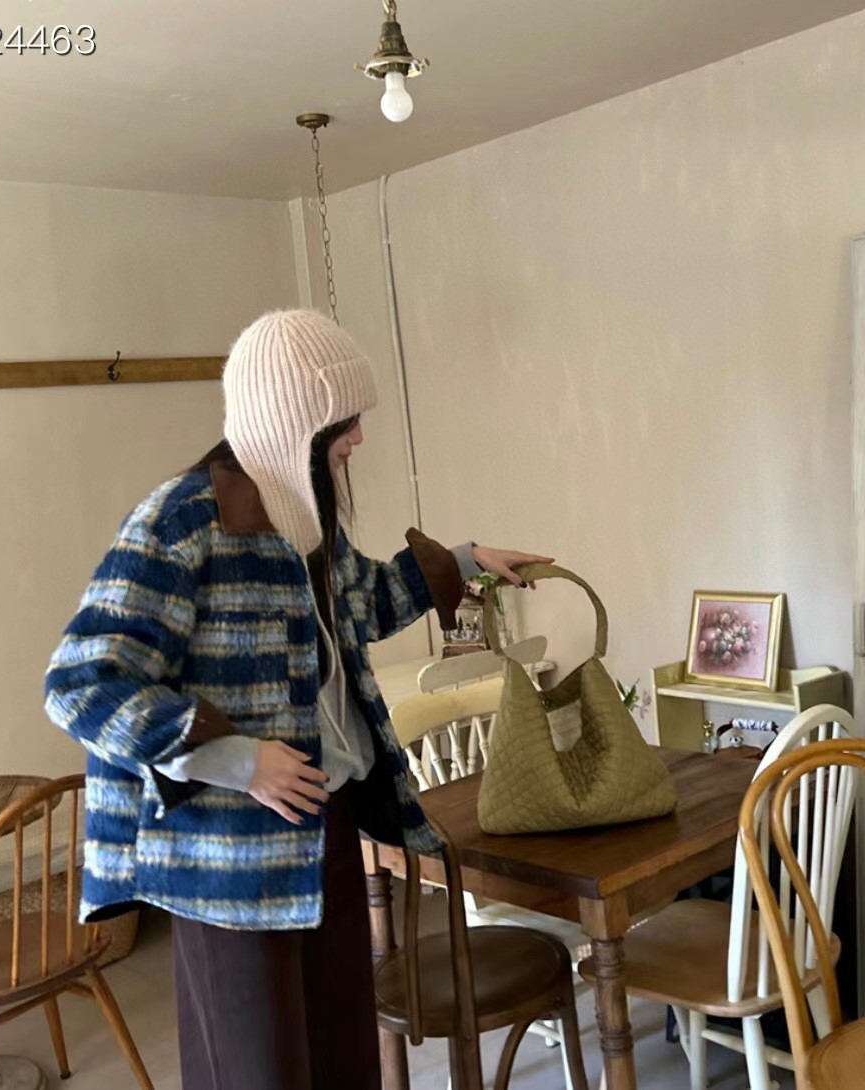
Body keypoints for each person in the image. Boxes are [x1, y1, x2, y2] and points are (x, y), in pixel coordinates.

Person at [44, 309, 552, 1090]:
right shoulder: (181, 520)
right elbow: (81, 684)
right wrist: (240, 760)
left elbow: (364, 602)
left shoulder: (300, 516)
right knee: (262, 1070)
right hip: (228, 858)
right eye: (343, 423)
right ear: (294, 420)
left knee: (343, 1057)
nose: (358, 438)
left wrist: (467, 560)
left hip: (327, 822)